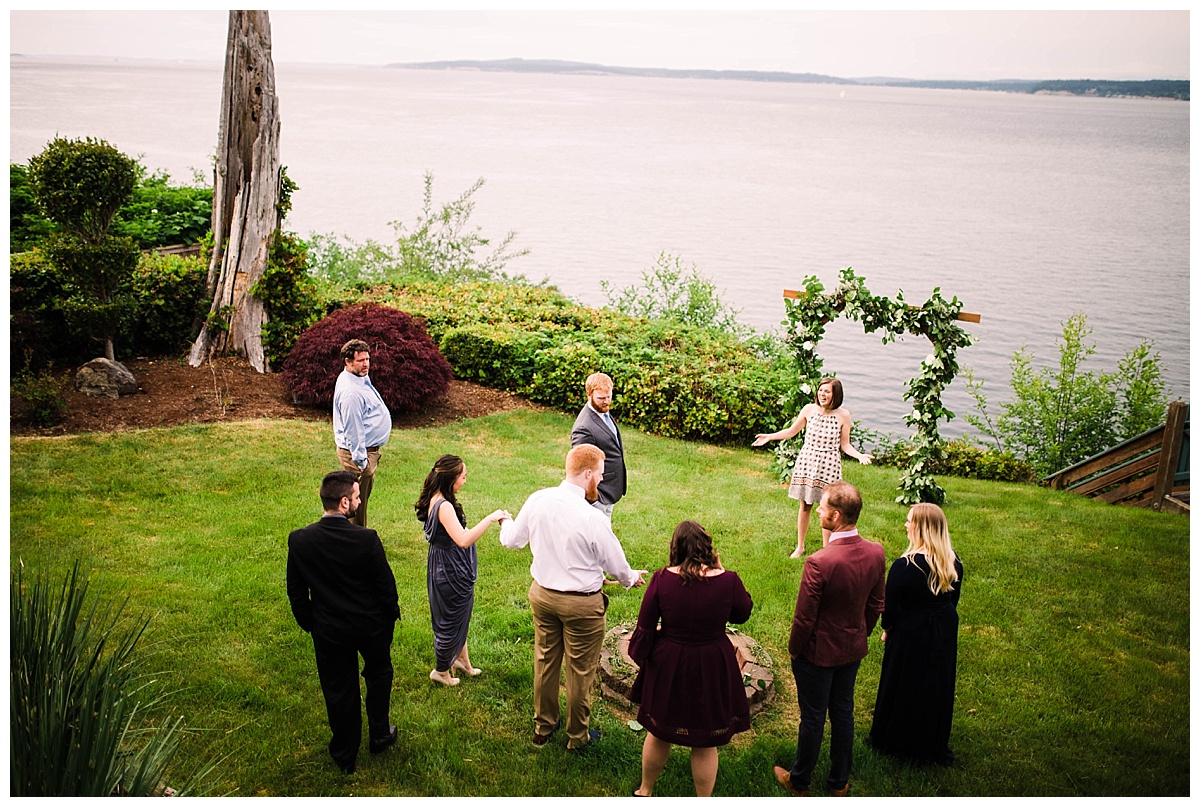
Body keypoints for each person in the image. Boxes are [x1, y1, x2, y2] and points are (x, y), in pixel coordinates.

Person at [499, 444, 647, 751]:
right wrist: (632, 578)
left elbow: (512, 540)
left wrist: (505, 522)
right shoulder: (593, 518)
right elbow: (617, 565)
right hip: (582, 606)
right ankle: (577, 738)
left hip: (542, 597)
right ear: (588, 473)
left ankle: (542, 727)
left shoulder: (538, 499)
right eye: (601, 475)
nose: (603, 481)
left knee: (545, 661)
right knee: (580, 672)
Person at [773, 481, 885, 798]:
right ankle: (838, 783)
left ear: (834, 517)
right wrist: (860, 633)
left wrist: (796, 650)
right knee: (842, 713)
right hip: (852, 650)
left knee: (812, 717)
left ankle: (800, 781)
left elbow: (805, 617)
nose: (818, 510)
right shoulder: (876, 553)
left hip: (817, 655)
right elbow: (877, 604)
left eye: (821, 507)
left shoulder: (820, 562)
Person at [286, 471, 401, 775]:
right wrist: (389, 617)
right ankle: (379, 734)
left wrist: (312, 624)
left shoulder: (300, 540)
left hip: (329, 631)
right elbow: (386, 587)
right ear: (344, 501)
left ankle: (344, 754)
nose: (360, 501)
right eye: (358, 496)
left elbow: (296, 592)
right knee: (378, 676)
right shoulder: (366, 538)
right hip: (370, 627)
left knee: (339, 689)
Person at [630, 521, 753, 798]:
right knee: (706, 739)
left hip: (670, 662)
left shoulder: (662, 579)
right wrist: (721, 571)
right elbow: (742, 613)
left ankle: (645, 791)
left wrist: (642, 658)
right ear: (708, 549)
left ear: (676, 548)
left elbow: (646, 626)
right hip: (713, 662)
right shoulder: (729, 579)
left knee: (659, 731)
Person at [866, 503, 962, 766]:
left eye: (909, 521)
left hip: (910, 631)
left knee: (902, 679)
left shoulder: (904, 566)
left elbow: (890, 606)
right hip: (943, 629)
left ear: (921, 528)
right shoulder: (953, 562)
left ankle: (893, 738)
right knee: (936, 681)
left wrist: (887, 630)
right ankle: (930, 739)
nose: (906, 525)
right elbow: (953, 601)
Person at [414, 454, 511, 687]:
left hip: (448, 565)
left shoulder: (437, 498)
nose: (465, 481)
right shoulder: (444, 506)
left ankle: (462, 661)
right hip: (450, 570)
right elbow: (463, 539)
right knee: (450, 620)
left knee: (460, 617)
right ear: (451, 479)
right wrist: (490, 519)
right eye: (463, 477)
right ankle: (440, 671)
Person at [752, 377, 873, 558]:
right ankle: (800, 546)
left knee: (829, 508)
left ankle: (827, 549)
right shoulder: (809, 410)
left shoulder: (843, 415)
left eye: (827, 392)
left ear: (836, 395)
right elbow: (792, 431)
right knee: (805, 506)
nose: (822, 394)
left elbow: (845, 445)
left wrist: (860, 455)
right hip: (807, 462)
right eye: (821, 390)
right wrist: (770, 436)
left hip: (829, 464)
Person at [333, 338, 392, 527]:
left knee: (358, 502)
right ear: (348, 362)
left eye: (367, 359)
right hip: (358, 455)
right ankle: (354, 543)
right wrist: (362, 462)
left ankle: (352, 539)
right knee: (354, 506)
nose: (366, 364)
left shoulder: (359, 376)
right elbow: (353, 431)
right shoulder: (350, 393)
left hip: (367, 452)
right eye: (360, 360)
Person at [570, 372, 627, 517]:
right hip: (599, 496)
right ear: (589, 394)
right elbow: (582, 469)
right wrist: (595, 499)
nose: (607, 402)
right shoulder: (583, 428)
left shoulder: (603, 413)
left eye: (609, 397)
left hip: (610, 491)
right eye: (601, 398)